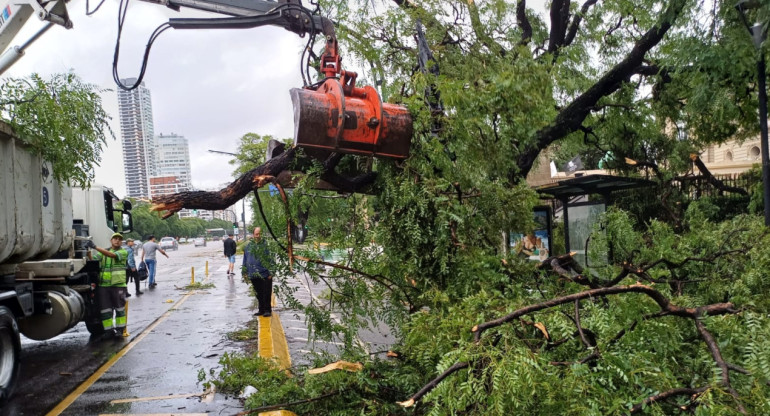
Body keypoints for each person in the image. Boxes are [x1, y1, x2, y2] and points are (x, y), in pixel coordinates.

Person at [86, 232, 128, 338]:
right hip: (104, 286)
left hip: (118, 285)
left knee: (119, 309)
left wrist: (95, 246)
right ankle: (108, 331)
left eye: (119, 239)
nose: (117, 240)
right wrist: (88, 251)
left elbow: (112, 255)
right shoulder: (104, 252)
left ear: (121, 242)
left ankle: (119, 330)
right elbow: (93, 260)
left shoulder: (123, 252)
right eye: (115, 238)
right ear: (111, 240)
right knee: (105, 310)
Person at [242, 227, 274, 317]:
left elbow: (271, 258)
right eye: (256, 234)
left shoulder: (266, 245)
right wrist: (244, 272)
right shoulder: (248, 246)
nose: (258, 236)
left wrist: (271, 272)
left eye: (259, 234)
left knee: (266, 293)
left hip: (265, 274)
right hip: (253, 274)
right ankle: (261, 309)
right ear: (253, 235)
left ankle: (267, 310)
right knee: (258, 293)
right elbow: (245, 259)